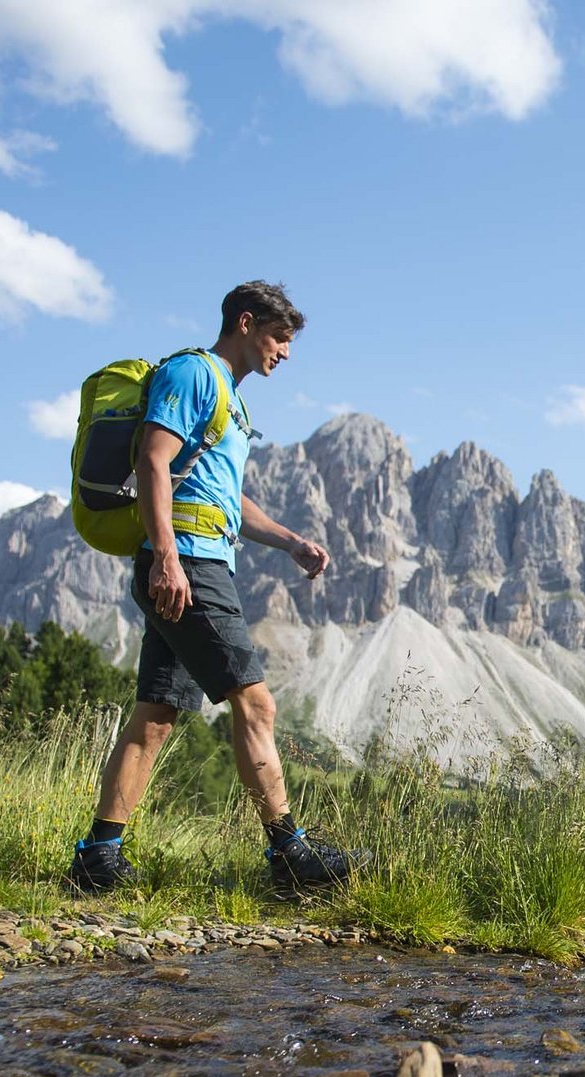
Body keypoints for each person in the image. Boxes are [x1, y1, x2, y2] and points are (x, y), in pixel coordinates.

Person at [67, 280, 366, 897]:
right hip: (189, 565)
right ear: (247, 323)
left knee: (157, 715)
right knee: (256, 704)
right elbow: (153, 459)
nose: (285, 353)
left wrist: (289, 541)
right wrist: (168, 561)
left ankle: (99, 856)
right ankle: (291, 855)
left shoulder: (230, 397)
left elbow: (225, 495)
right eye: (280, 338)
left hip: (200, 560)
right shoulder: (194, 375)